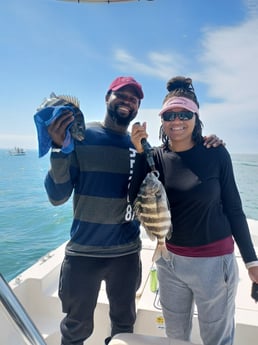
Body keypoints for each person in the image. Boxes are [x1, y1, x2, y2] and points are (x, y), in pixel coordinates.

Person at [44, 76, 223, 345]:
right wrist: (58, 149)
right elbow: (57, 197)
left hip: (126, 255)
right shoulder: (81, 137)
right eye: (122, 95)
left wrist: (205, 142)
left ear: (139, 107)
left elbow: (170, 178)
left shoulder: (143, 148)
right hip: (83, 253)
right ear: (107, 97)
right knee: (75, 328)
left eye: (134, 99)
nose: (128, 101)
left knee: (124, 327)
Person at [128, 76, 258, 345]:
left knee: (217, 339)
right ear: (161, 120)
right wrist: (140, 152)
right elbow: (135, 200)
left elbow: (234, 208)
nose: (177, 120)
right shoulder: (155, 157)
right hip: (169, 261)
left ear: (196, 117)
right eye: (169, 115)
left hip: (213, 263)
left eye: (184, 113)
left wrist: (251, 261)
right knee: (175, 337)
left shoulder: (216, 153)